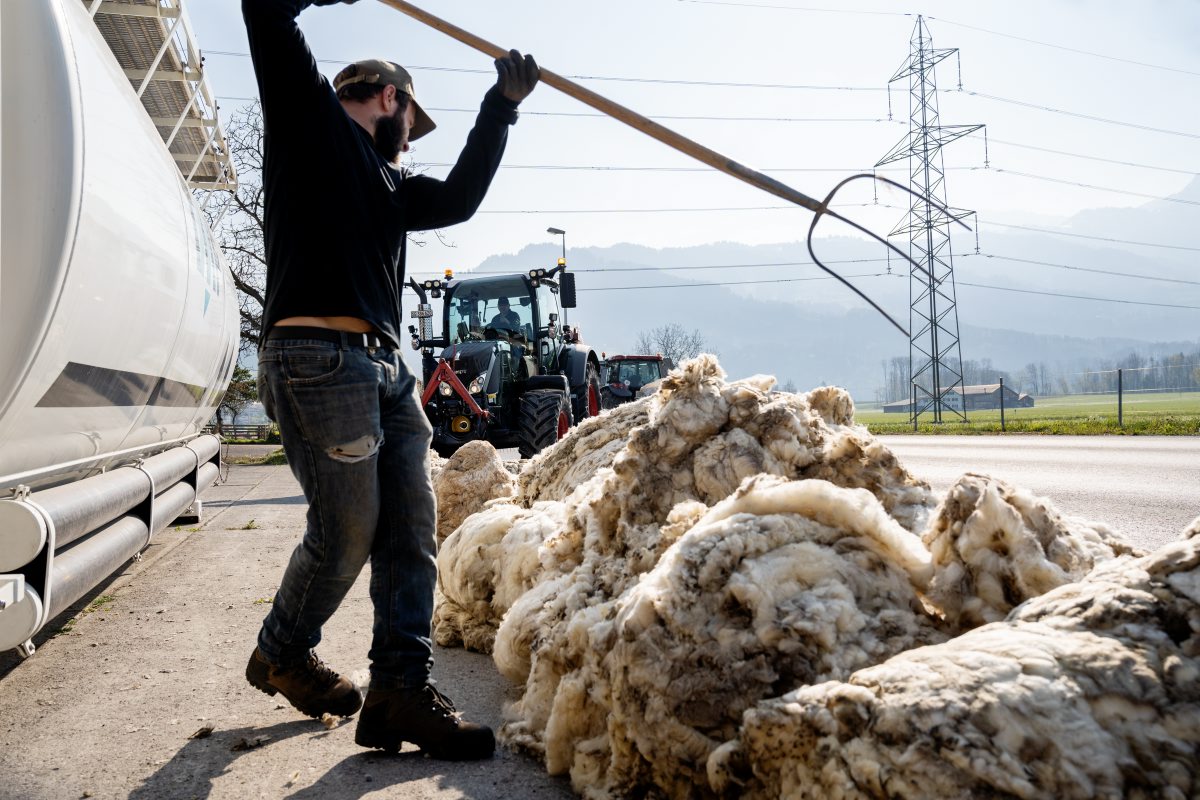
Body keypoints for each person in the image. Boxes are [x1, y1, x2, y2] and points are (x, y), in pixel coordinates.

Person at [240, 0, 538, 760]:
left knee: (410, 529)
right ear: (390, 99)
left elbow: (461, 199)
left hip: (387, 367)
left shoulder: (393, 188)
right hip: (317, 358)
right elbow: (267, 14)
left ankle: (399, 692)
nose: (411, 142)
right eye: (412, 121)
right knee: (347, 530)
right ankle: (282, 649)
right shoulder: (311, 131)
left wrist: (498, 109)